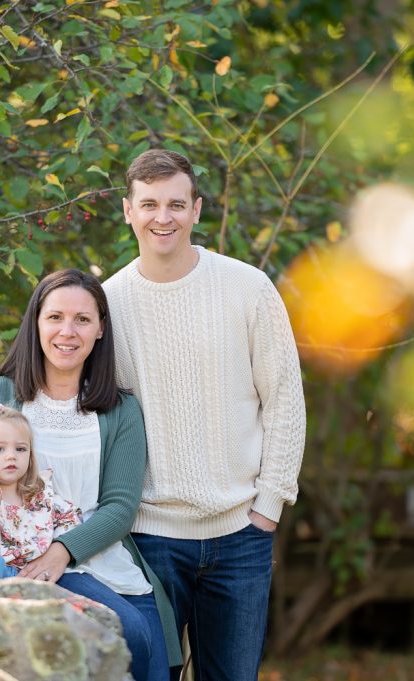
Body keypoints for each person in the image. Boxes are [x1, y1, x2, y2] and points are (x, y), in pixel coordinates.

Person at [103, 149, 307, 681]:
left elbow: (284, 397)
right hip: (150, 538)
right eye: (149, 204)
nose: (162, 217)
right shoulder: (108, 304)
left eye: (175, 203)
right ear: (128, 211)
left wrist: (268, 506)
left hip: (241, 532)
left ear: (196, 210)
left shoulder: (248, 289)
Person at [0, 268, 179, 681]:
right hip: (11, 558)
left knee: (148, 647)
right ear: (36, 322)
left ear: (100, 329)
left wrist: (62, 551)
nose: (68, 331)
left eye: (82, 319)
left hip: (93, 555)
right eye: (55, 317)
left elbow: (120, 507)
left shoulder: (120, 410)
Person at [0, 396, 82, 582]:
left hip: (27, 575)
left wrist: (58, 547)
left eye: (20, 449)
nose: (11, 456)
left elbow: (70, 517)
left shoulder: (40, 494)